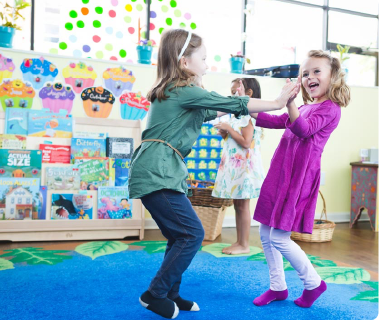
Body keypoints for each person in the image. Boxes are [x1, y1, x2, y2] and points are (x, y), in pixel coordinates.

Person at [128, 28, 300, 319]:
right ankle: (154, 293)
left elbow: (215, 110)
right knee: (193, 234)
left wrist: (220, 97)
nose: (207, 65)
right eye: (204, 59)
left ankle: (170, 292)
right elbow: (229, 104)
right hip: (157, 172)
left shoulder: (175, 91)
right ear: (185, 63)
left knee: (178, 235)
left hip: (157, 171)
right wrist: (276, 102)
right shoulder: (183, 91)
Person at [251, 50, 350, 308]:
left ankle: (313, 283)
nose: (309, 77)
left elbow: (304, 130)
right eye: (305, 73)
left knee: (279, 237)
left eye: (317, 71)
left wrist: (290, 101)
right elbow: (276, 121)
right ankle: (277, 287)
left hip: (299, 179)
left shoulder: (331, 109)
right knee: (265, 230)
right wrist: (245, 107)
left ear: (333, 77)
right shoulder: (306, 106)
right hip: (281, 173)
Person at [212, 78, 265, 255]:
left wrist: (229, 128)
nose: (232, 96)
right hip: (236, 168)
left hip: (245, 170)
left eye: (235, 92)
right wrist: (225, 133)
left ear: (247, 94)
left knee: (243, 206)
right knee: (238, 205)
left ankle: (244, 244)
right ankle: (239, 241)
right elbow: (235, 140)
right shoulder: (239, 116)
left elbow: (246, 142)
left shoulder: (249, 115)